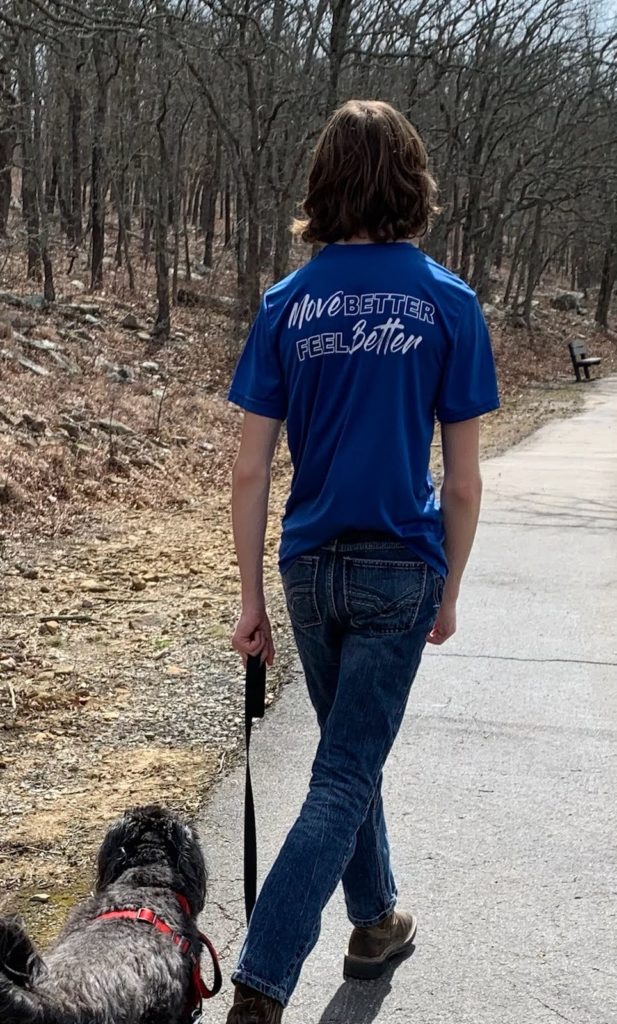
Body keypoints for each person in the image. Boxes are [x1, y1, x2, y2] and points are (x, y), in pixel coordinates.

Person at [227, 99, 499, 1022]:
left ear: (322, 185)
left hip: (310, 568)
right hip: (399, 564)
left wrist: (248, 595)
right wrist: (450, 586)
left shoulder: (286, 303)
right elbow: (461, 483)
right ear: (413, 183)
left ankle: (376, 918)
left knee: (351, 753)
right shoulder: (447, 301)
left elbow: (248, 465)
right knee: (344, 770)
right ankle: (261, 987)